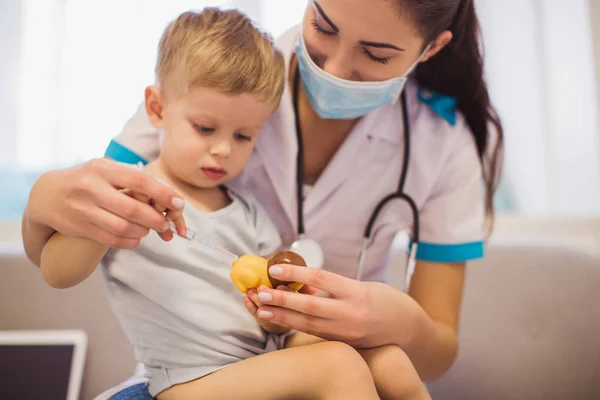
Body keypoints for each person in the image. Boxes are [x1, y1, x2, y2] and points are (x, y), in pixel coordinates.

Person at [23, 0, 503, 397]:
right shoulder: (224, 73)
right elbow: (76, 223)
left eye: (376, 54)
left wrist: (404, 323)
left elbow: (436, 350)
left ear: (432, 47)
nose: (334, 68)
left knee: (393, 364)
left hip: (281, 351)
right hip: (191, 373)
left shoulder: (442, 140)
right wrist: (42, 202)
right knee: (337, 365)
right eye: (324, 25)